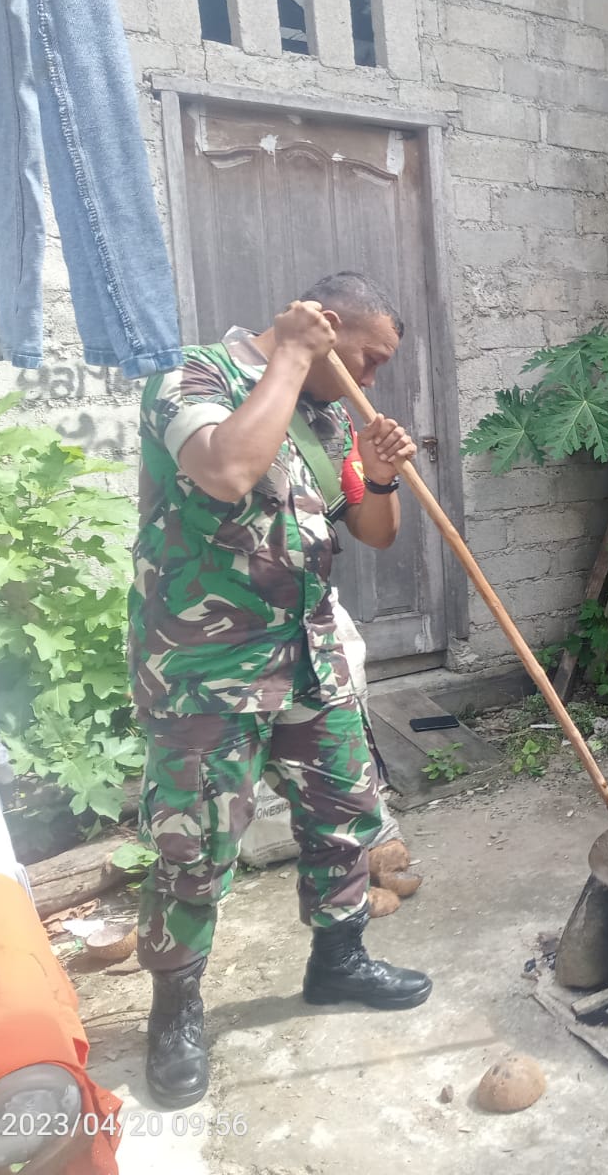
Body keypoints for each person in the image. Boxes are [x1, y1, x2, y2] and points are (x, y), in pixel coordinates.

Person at [127, 272, 431, 1110]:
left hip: (309, 658)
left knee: (345, 816)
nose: (371, 382)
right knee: (195, 847)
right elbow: (226, 470)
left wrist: (378, 474)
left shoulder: (326, 420)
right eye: (366, 359)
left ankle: (339, 963)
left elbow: (368, 530)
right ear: (326, 328)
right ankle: (176, 1011)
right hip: (206, 672)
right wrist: (292, 357)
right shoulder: (190, 377)